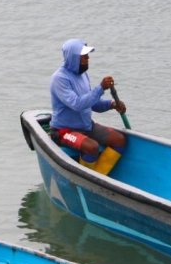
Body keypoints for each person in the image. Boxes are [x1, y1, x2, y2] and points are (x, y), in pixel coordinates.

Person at [49, 38, 127, 175]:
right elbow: (77, 104)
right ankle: (85, 180)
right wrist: (101, 88)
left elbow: (92, 103)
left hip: (87, 126)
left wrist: (112, 104)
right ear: (73, 58)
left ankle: (99, 177)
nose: (88, 59)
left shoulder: (83, 75)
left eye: (87, 56)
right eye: (84, 56)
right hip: (64, 131)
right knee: (92, 147)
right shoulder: (59, 79)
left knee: (119, 140)